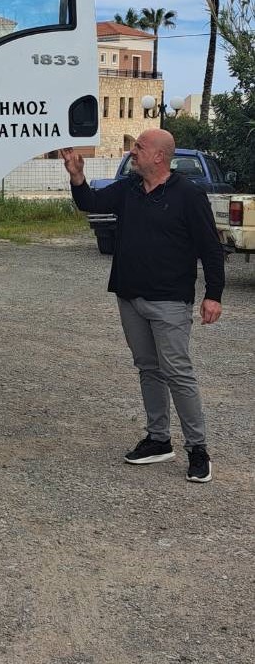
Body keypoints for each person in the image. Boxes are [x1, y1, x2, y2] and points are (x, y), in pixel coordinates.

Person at [60, 129, 225, 483]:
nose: (132, 152)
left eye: (139, 147)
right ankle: (158, 439)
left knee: (177, 372)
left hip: (170, 300)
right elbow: (91, 202)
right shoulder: (130, 188)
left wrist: (214, 294)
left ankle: (198, 449)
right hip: (130, 296)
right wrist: (77, 176)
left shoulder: (188, 195)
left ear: (159, 157)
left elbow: (210, 248)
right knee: (148, 369)